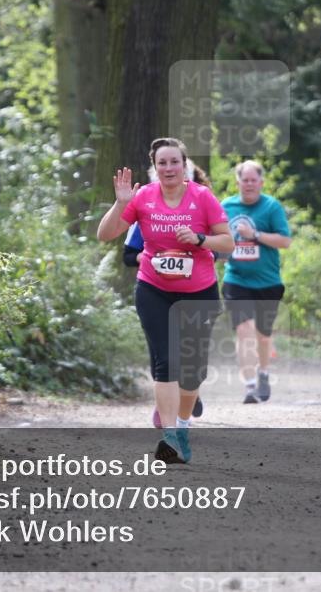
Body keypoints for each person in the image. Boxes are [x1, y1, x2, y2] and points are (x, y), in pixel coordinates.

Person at [97, 137, 233, 463]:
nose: (169, 168)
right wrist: (120, 203)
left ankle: (182, 426)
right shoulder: (143, 197)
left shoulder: (202, 197)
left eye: (175, 162)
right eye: (163, 163)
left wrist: (201, 239)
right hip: (153, 289)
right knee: (166, 361)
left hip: (199, 293)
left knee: (192, 369)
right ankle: (170, 437)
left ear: (185, 166)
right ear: (155, 167)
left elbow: (227, 244)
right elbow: (105, 235)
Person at [122, 162, 211, 426]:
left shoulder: (204, 208)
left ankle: (189, 390)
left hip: (194, 290)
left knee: (192, 356)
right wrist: (152, 258)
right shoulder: (145, 210)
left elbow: (221, 246)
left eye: (185, 179)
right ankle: (164, 410)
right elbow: (127, 256)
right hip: (156, 290)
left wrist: (199, 246)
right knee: (162, 353)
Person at [220, 160, 292, 404]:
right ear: (238, 182)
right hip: (236, 278)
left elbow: (285, 241)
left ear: (260, 183)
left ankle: (263, 373)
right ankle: (250, 386)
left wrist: (256, 235)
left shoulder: (271, 207)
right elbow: (218, 238)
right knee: (244, 331)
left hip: (268, 281)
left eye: (253, 180)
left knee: (263, 335)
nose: (249, 184)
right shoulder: (226, 206)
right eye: (245, 180)